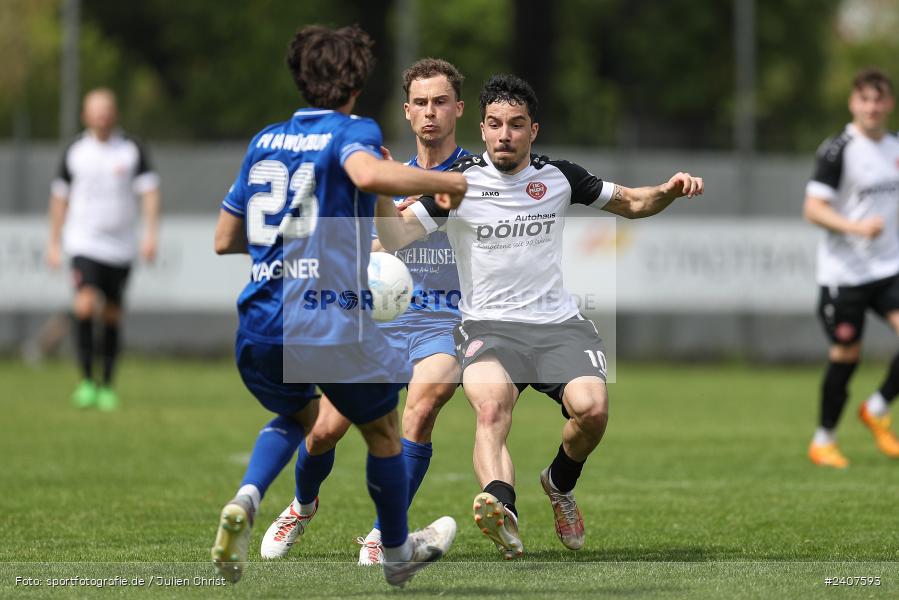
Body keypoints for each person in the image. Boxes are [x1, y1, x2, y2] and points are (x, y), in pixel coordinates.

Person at [376, 74, 703, 559]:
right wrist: (384, 189)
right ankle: (501, 507)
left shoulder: (560, 177)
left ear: (534, 130)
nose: (504, 134)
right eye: (494, 124)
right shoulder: (456, 185)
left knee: (592, 411)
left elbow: (632, 202)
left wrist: (669, 191)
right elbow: (397, 236)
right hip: (487, 328)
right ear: (483, 129)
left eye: (515, 124)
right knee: (491, 411)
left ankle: (558, 482)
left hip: (557, 327)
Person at [210, 25, 467, 587]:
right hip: (324, 315)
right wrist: (445, 185)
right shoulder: (356, 134)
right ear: (357, 82)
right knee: (383, 435)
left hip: (257, 317)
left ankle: (248, 498)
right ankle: (394, 552)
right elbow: (369, 173)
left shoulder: (265, 140)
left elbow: (225, 239)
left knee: (297, 419)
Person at [803, 67, 899, 468]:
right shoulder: (838, 149)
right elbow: (813, 209)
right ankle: (823, 439)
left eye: (879, 99)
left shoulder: (895, 147)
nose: (872, 107)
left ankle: (876, 408)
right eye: (865, 99)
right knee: (847, 354)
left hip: (889, 268)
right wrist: (856, 227)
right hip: (844, 274)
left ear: (889, 103)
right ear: (853, 103)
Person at [46, 88, 160, 411]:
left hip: (120, 247)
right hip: (83, 241)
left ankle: (107, 384)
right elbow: (59, 198)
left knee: (111, 313)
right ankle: (85, 381)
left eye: (106, 109)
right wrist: (54, 242)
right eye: (95, 109)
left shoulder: (131, 149)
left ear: (115, 113)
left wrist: (150, 234)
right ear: (85, 114)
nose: (101, 115)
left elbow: (150, 193)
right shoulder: (75, 151)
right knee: (84, 306)